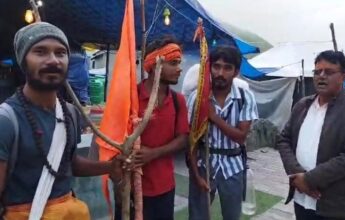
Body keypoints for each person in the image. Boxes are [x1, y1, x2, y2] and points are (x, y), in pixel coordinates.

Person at [0, 22, 127, 220]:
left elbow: (69, 163)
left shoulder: (70, 113)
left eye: (60, 53)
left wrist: (109, 167)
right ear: (23, 61)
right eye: (40, 52)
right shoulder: (6, 121)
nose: (53, 61)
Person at [277, 50, 345, 220]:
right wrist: (297, 175)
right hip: (301, 198)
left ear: (343, 77)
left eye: (328, 72)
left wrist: (309, 179)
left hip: (335, 207)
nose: (321, 76)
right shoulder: (302, 105)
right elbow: (284, 139)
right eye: (317, 71)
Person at [115, 36, 190, 220]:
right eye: (173, 63)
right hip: (130, 187)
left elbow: (183, 139)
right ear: (155, 65)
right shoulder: (130, 98)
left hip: (164, 188)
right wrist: (118, 181)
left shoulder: (178, 101)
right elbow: (116, 143)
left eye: (179, 63)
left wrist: (153, 153)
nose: (179, 69)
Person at [187, 45, 259, 220]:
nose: (220, 72)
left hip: (233, 167)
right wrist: (196, 175)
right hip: (204, 165)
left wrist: (214, 117)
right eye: (216, 66)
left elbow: (241, 137)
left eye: (227, 68)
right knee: (198, 216)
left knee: (232, 216)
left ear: (235, 72)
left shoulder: (244, 97)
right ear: (209, 68)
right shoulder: (197, 97)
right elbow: (191, 141)